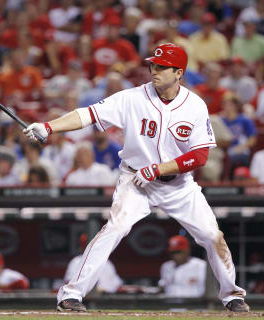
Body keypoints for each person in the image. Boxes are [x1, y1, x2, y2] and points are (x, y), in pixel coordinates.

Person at [23, 43, 249, 313]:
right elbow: (87, 115)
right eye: (153, 65)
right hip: (134, 179)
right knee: (114, 229)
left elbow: (200, 156)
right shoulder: (131, 98)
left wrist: (159, 169)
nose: (154, 70)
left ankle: (232, 295)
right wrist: (49, 127)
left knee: (213, 236)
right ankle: (71, 295)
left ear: (179, 72)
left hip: (178, 185)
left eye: (162, 67)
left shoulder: (195, 106)